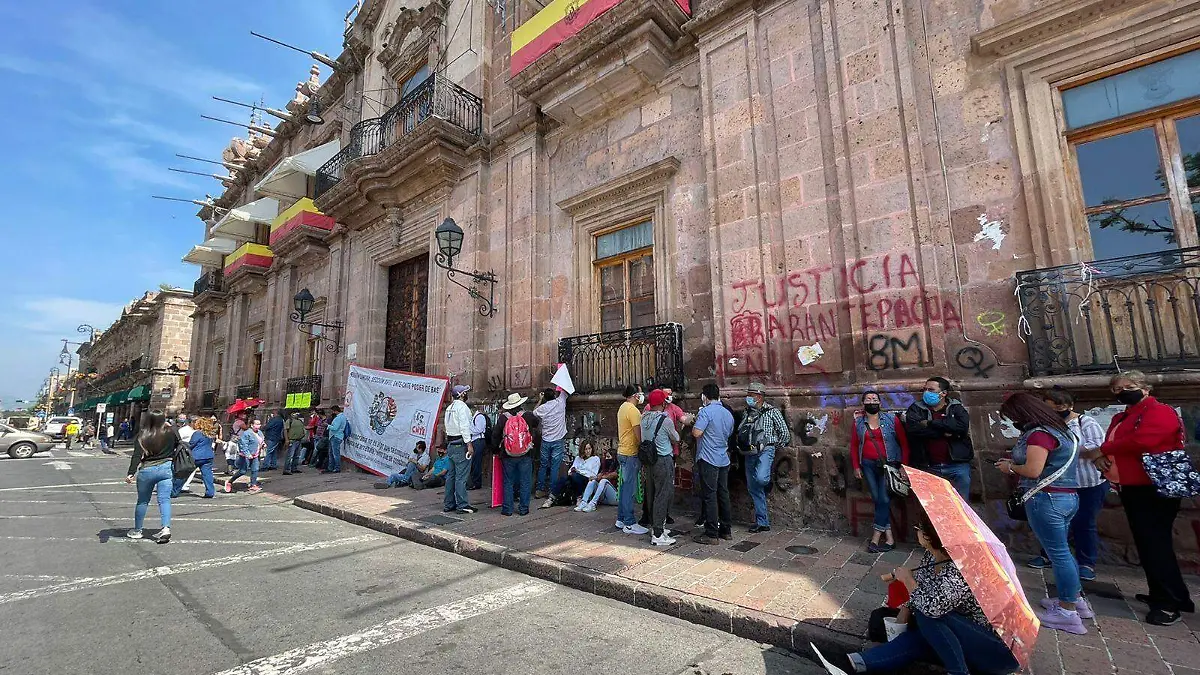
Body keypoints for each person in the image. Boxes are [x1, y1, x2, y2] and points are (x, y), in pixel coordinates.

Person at [827, 510, 1020, 675]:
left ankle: (958, 672)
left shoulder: (962, 569)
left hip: (994, 651)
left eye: (919, 528)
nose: (916, 531)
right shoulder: (931, 556)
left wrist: (908, 580)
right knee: (915, 639)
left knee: (926, 615)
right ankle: (854, 664)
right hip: (956, 637)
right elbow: (922, 593)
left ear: (929, 536)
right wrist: (904, 610)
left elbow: (931, 607)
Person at [1093, 371, 1193, 626]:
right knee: (1148, 543)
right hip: (1131, 485)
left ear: (1145, 388)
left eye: (1129, 386)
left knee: (1155, 543)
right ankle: (1169, 594)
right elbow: (1117, 442)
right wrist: (1101, 457)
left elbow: (1143, 440)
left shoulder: (1159, 411)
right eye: (1117, 389)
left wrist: (1102, 450)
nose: (1122, 392)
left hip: (1153, 486)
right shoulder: (1123, 416)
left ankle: (1168, 604)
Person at [993, 392, 1085, 634]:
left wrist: (1010, 467)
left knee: (1059, 554)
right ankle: (1074, 599)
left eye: (1012, 417)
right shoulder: (1062, 431)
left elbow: (1033, 470)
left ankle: (1068, 612)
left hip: (1047, 498)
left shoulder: (1039, 434)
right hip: (1067, 496)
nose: (1013, 422)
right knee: (1063, 551)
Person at [1027, 387, 1108, 581]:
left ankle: (1086, 562)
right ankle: (1049, 555)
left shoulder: (1085, 422)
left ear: (1069, 405)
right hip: (1058, 483)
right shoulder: (1047, 425)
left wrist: (1063, 449)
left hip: (1087, 482)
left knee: (1084, 522)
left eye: (1058, 407)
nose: (1054, 411)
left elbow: (1097, 447)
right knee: (1055, 522)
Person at [851, 390, 911, 552]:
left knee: (884, 499)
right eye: (868, 399)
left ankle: (876, 538)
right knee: (878, 499)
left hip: (889, 465)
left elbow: (904, 443)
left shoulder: (891, 420)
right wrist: (856, 466)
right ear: (863, 403)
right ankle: (890, 539)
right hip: (868, 464)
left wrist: (903, 466)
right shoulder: (858, 422)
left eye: (875, 399)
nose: (872, 401)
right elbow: (854, 445)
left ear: (880, 402)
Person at [905, 377, 973, 501]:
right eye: (925, 389)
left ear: (943, 393)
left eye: (931, 390)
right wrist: (945, 432)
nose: (926, 392)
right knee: (934, 504)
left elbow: (962, 427)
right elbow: (914, 430)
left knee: (961, 503)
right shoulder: (916, 408)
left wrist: (931, 423)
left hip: (957, 465)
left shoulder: (956, 408)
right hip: (929, 466)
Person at [737, 382, 791, 533]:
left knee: (761, 479)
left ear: (759, 396)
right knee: (753, 488)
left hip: (765, 450)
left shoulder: (772, 412)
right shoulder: (746, 412)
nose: (748, 397)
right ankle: (762, 522)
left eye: (751, 395)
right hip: (749, 453)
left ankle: (766, 481)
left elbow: (785, 433)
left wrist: (772, 445)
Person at [125, 412, 180, 543]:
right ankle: (165, 528)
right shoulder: (170, 432)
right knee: (164, 500)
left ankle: (138, 530)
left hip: (147, 469)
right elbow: (178, 444)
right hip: (166, 468)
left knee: (143, 501)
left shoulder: (143, 434)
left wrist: (131, 473)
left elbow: (137, 455)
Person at [639, 387, 688, 529]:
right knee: (662, 493)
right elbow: (676, 438)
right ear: (663, 403)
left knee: (651, 492)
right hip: (663, 459)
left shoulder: (643, 418)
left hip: (649, 460)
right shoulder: (665, 420)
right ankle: (658, 530)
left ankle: (652, 522)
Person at [692, 384, 734, 544]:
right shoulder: (727, 413)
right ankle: (726, 530)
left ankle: (711, 533)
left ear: (705, 396)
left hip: (708, 458)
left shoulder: (706, 412)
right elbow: (729, 433)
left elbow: (697, 432)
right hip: (723, 457)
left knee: (710, 495)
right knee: (723, 493)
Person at [493, 393, 540, 516]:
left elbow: (495, 435)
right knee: (525, 481)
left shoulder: (503, 418)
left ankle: (507, 509)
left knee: (508, 482)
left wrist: (496, 450)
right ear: (520, 404)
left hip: (508, 455)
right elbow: (536, 423)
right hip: (525, 454)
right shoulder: (527, 415)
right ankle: (523, 509)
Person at [615, 384, 646, 535]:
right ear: (635, 395)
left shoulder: (622, 407)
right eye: (640, 393)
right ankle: (629, 522)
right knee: (629, 489)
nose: (642, 396)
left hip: (622, 451)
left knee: (624, 488)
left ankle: (621, 518)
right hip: (630, 453)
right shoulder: (633, 410)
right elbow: (638, 434)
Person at [442, 385, 477, 514]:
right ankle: (462, 505)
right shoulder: (462, 407)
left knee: (451, 476)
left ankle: (449, 503)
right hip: (460, 444)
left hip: (451, 444)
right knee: (461, 477)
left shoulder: (449, 408)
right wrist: (469, 444)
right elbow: (464, 427)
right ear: (461, 394)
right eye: (465, 392)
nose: (466, 394)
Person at [541, 438, 600, 508]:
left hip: (587, 479)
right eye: (585, 449)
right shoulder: (578, 458)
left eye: (589, 449)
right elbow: (570, 470)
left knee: (575, 476)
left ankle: (579, 497)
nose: (588, 451)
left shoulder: (595, 459)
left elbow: (593, 474)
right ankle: (551, 499)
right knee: (563, 479)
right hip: (574, 477)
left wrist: (580, 472)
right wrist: (573, 471)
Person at [533, 386, 569, 499]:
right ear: (554, 395)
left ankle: (539, 490)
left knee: (543, 465)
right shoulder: (560, 402)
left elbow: (534, 412)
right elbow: (564, 391)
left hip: (545, 440)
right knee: (555, 467)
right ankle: (552, 491)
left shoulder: (543, 408)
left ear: (545, 397)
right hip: (557, 440)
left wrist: (540, 400)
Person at [576, 440, 618, 512]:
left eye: (608, 457)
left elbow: (609, 476)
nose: (606, 459)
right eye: (606, 457)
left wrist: (597, 477)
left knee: (603, 481)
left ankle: (593, 504)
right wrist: (594, 478)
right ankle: (584, 502)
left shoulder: (617, 468)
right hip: (604, 500)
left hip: (615, 499)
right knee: (592, 481)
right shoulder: (603, 469)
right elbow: (598, 476)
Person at [226, 418, 265, 494]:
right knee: (243, 471)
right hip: (245, 456)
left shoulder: (260, 432)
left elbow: (261, 441)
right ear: (252, 425)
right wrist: (248, 454)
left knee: (255, 469)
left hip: (255, 454)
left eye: (259, 424)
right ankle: (230, 481)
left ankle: (253, 485)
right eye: (256, 424)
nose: (258, 426)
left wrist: (263, 444)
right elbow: (243, 445)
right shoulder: (247, 433)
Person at [186, 416, 218, 499]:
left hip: (197, 456)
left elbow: (191, 444)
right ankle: (210, 492)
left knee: (184, 473)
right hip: (208, 456)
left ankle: (174, 491)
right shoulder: (209, 434)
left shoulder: (197, 433)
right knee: (207, 475)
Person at [172, 415, 199, 497]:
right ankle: (177, 486)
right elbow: (177, 439)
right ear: (192, 422)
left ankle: (185, 485)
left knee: (192, 468)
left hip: (193, 451)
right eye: (197, 422)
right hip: (183, 451)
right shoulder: (183, 430)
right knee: (182, 468)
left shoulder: (197, 430)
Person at [468, 404, 490, 490]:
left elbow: (479, 429)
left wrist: (468, 429)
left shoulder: (479, 417)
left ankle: (476, 483)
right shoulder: (474, 417)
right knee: (474, 462)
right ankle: (474, 481)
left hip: (479, 440)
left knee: (476, 462)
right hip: (475, 441)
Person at [325, 405, 348, 473]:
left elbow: (335, 428)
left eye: (332, 411)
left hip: (335, 436)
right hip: (336, 436)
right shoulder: (342, 417)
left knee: (335, 454)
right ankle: (331, 467)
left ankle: (336, 468)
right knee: (332, 453)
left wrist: (327, 425)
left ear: (335, 411)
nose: (332, 413)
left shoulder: (339, 418)